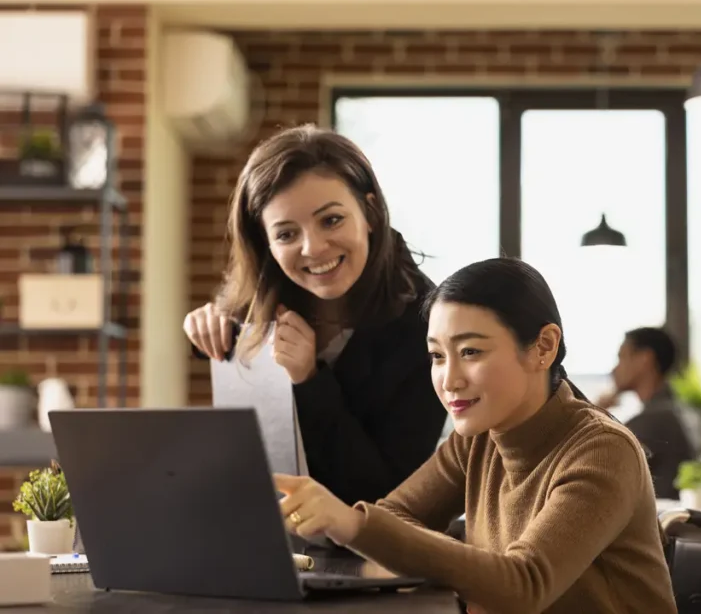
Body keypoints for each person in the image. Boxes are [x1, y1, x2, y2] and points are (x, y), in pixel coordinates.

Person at [272, 258, 676, 614]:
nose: (449, 380)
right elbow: (396, 516)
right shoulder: (478, 438)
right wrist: (467, 562)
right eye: (437, 356)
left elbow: (524, 586)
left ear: (544, 347)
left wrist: (350, 523)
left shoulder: (603, 450)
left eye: (470, 352)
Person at [183, 124, 448, 507]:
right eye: (286, 234)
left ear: (370, 212)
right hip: (263, 526)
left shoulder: (427, 326)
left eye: (331, 220)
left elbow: (385, 497)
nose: (313, 248)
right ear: (265, 243)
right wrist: (204, 326)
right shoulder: (264, 294)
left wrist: (309, 380)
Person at [597, 327, 695, 498]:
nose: (614, 369)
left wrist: (595, 410)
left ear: (645, 359)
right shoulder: (672, 410)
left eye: (622, 357)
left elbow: (591, 460)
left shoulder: (655, 419)